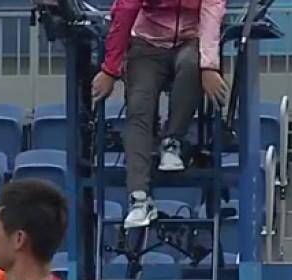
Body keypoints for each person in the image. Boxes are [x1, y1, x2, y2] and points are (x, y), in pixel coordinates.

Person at [92, 0, 229, 229]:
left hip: (189, 40)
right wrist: (110, 69)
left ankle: (172, 141)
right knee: (138, 108)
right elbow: (125, 10)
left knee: (192, 65)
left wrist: (209, 66)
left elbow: (212, 12)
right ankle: (139, 199)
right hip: (146, 43)